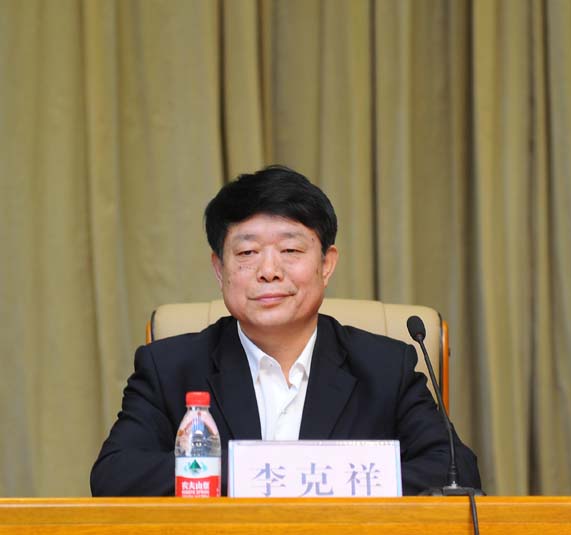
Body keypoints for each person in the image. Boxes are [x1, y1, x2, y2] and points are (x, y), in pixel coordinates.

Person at [90, 165, 481, 496]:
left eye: (291, 251)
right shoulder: (170, 367)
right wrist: (261, 475)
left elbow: (455, 471)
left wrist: (313, 478)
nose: (269, 271)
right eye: (247, 253)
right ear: (219, 269)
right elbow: (115, 475)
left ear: (326, 265)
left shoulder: (384, 367)